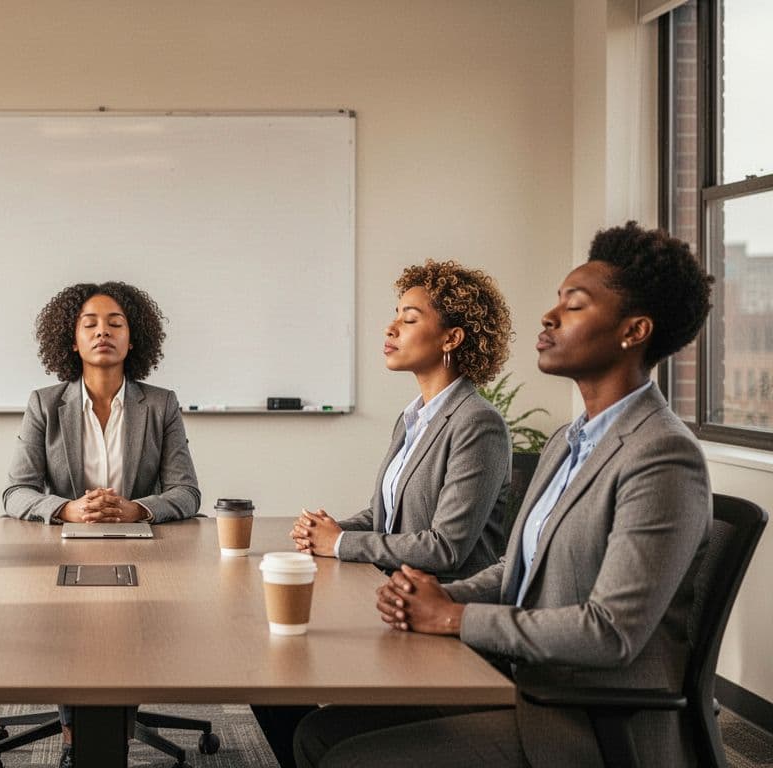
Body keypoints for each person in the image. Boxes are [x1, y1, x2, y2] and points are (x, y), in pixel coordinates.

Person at [295, 222, 715, 768]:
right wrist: (439, 597)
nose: (549, 315)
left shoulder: (662, 456)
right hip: (523, 680)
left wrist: (450, 618)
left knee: (346, 757)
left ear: (633, 332)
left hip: (580, 719)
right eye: (557, 301)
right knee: (315, 734)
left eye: (576, 306)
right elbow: (517, 568)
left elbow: (610, 633)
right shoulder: (570, 441)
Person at [256, 260, 514, 767]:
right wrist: (329, 531)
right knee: (269, 673)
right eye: (395, 315)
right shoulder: (414, 417)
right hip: (390, 598)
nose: (390, 328)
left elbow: (446, 546)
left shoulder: (477, 424)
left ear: (451, 337)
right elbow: (386, 511)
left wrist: (341, 544)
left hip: (441, 625)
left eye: (410, 318)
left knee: (279, 678)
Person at [2, 281, 201, 767]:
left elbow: (187, 492)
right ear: (72, 340)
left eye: (116, 323)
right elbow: (15, 492)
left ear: (134, 339)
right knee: (76, 622)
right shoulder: (46, 404)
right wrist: (67, 509)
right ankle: (78, 733)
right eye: (89, 324)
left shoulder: (160, 404)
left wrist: (138, 509)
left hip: (142, 551)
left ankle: (108, 728)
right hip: (65, 551)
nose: (102, 332)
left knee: (125, 623)